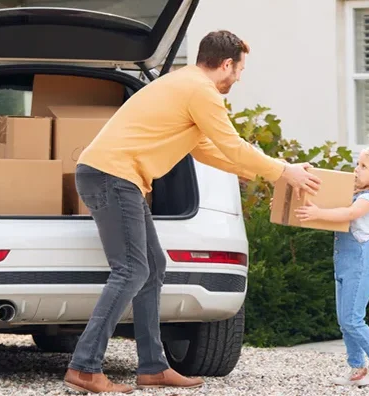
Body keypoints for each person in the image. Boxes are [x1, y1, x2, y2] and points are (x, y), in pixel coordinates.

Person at [62, 30, 323, 394]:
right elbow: (230, 145)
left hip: (118, 176)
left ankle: (153, 366)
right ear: (227, 64)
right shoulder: (201, 90)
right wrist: (283, 171)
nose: (239, 77)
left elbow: (206, 150)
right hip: (113, 176)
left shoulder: (183, 84)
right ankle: (85, 367)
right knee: (132, 269)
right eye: (240, 69)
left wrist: (276, 171)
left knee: (152, 267)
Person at [295, 148, 369, 387]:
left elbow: (349, 213)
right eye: (358, 164)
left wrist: (318, 212)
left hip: (361, 269)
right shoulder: (353, 195)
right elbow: (328, 210)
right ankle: (357, 368)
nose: (356, 169)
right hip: (344, 267)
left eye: (364, 167)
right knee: (345, 321)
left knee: (353, 319)